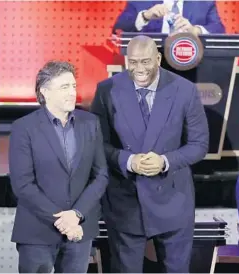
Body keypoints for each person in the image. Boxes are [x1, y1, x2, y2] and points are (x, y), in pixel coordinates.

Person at [90, 35, 209, 272]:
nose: (139, 69)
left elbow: (199, 144)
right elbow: (96, 144)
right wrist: (128, 161)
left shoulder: (183, 90)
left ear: (158, 59)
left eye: (145, 62)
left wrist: (166, 161)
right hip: (125, 201)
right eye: (133, 62)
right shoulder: (107, 90)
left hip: (173, 200)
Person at [9, 61, 109, 273]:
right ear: (45, 91)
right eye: (65, 87)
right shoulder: (24, 128)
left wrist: (76, 214)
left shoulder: (91, 123)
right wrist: (63, 221)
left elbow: (100, 175)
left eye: (73, 86)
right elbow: (23, 185)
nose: (72, 92)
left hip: (79, 230)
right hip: (37, 231)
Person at [112, 0, 225, 35]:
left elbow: (219, 30)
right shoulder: (140, 2)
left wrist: (195, 30)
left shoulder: (205, 3)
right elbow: (118, 29)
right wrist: (145, 16)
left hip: (191, 64)